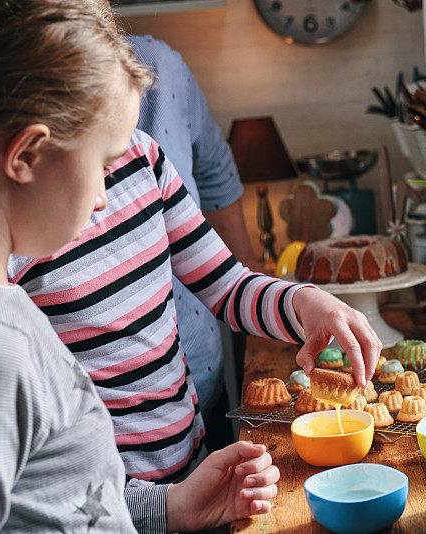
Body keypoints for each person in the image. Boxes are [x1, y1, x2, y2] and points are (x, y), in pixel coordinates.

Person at [0, 1, 280, 532]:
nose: (103, 197)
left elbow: (66, 500)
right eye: (102, 163)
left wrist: (171, 508)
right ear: (26, 155)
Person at [124, 33, 258, 450]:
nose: (106, 194)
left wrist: (292, 303)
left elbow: (230, 284)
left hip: (192, 396)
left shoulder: (147, 158)